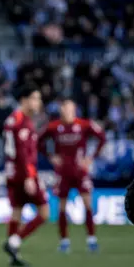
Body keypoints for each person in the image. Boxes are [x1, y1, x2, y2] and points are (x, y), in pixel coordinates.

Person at [39, 98, 106, 254]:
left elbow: (102, 137)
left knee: (88, 204)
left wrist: (91, 157)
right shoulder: (54, 126)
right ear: (61, 110)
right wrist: (50, 156)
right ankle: (64, 241)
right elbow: (38, 140)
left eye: (69, 109)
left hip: (80, 171)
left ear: (74, 110)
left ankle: (91, 240)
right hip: (62, 173)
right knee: (62, 207)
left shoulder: (84, 124)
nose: (66, 112)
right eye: (64, 109)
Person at [2, 84, 48, 267]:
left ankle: (14, 256)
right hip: (23, 173)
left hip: (12, 172)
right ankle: (14, 242)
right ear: (24, 100)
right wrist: (29, 176)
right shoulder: (21, 121)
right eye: (35, 98)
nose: (39, 102)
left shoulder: (13, 119)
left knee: (17, 212)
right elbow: (22, 153)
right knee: (44, 212)